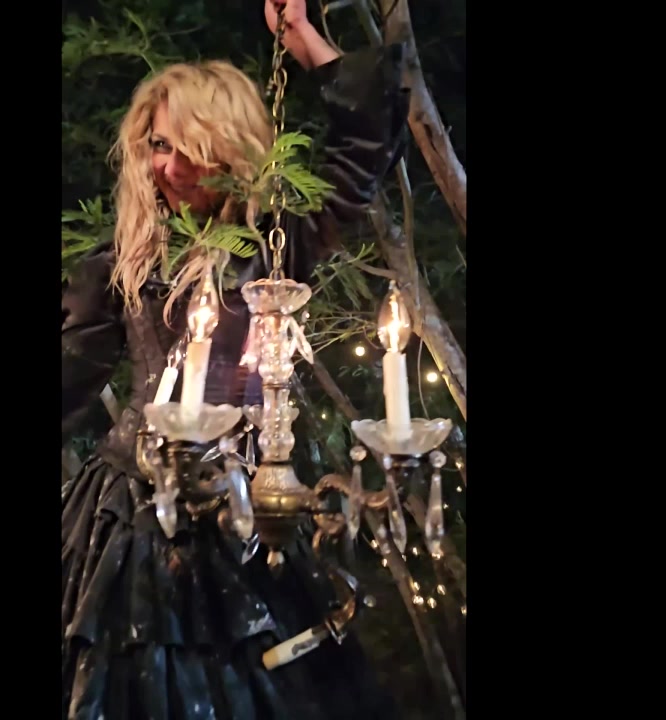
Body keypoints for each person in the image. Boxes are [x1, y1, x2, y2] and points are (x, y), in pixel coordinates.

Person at [61, 1, 409, 716]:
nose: (171, 167)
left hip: (254, 502)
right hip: (133, 507)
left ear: (232, 148)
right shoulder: (121, 263)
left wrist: (302, 38)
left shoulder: (281, 242)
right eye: (159, 145)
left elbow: (367, 144)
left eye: (193, 147)